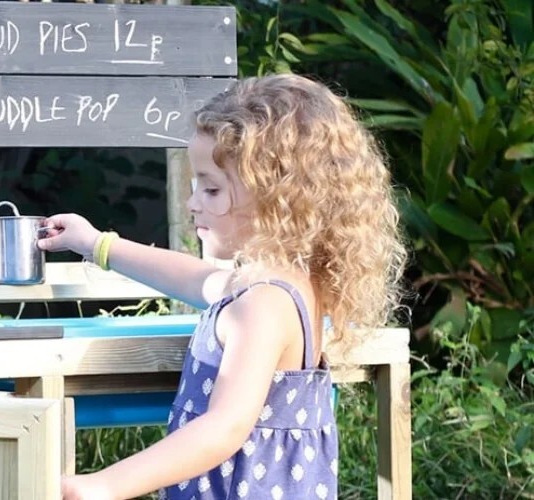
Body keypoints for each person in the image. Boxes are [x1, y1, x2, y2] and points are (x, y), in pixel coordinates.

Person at [40, 73, 406, 500]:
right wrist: (94, 243)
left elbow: (225, 426)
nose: (194, 202)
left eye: (212, 189)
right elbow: (192, 277)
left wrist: (103, 485)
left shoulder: (264, 304)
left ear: (278, 196)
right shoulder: (273, 284)